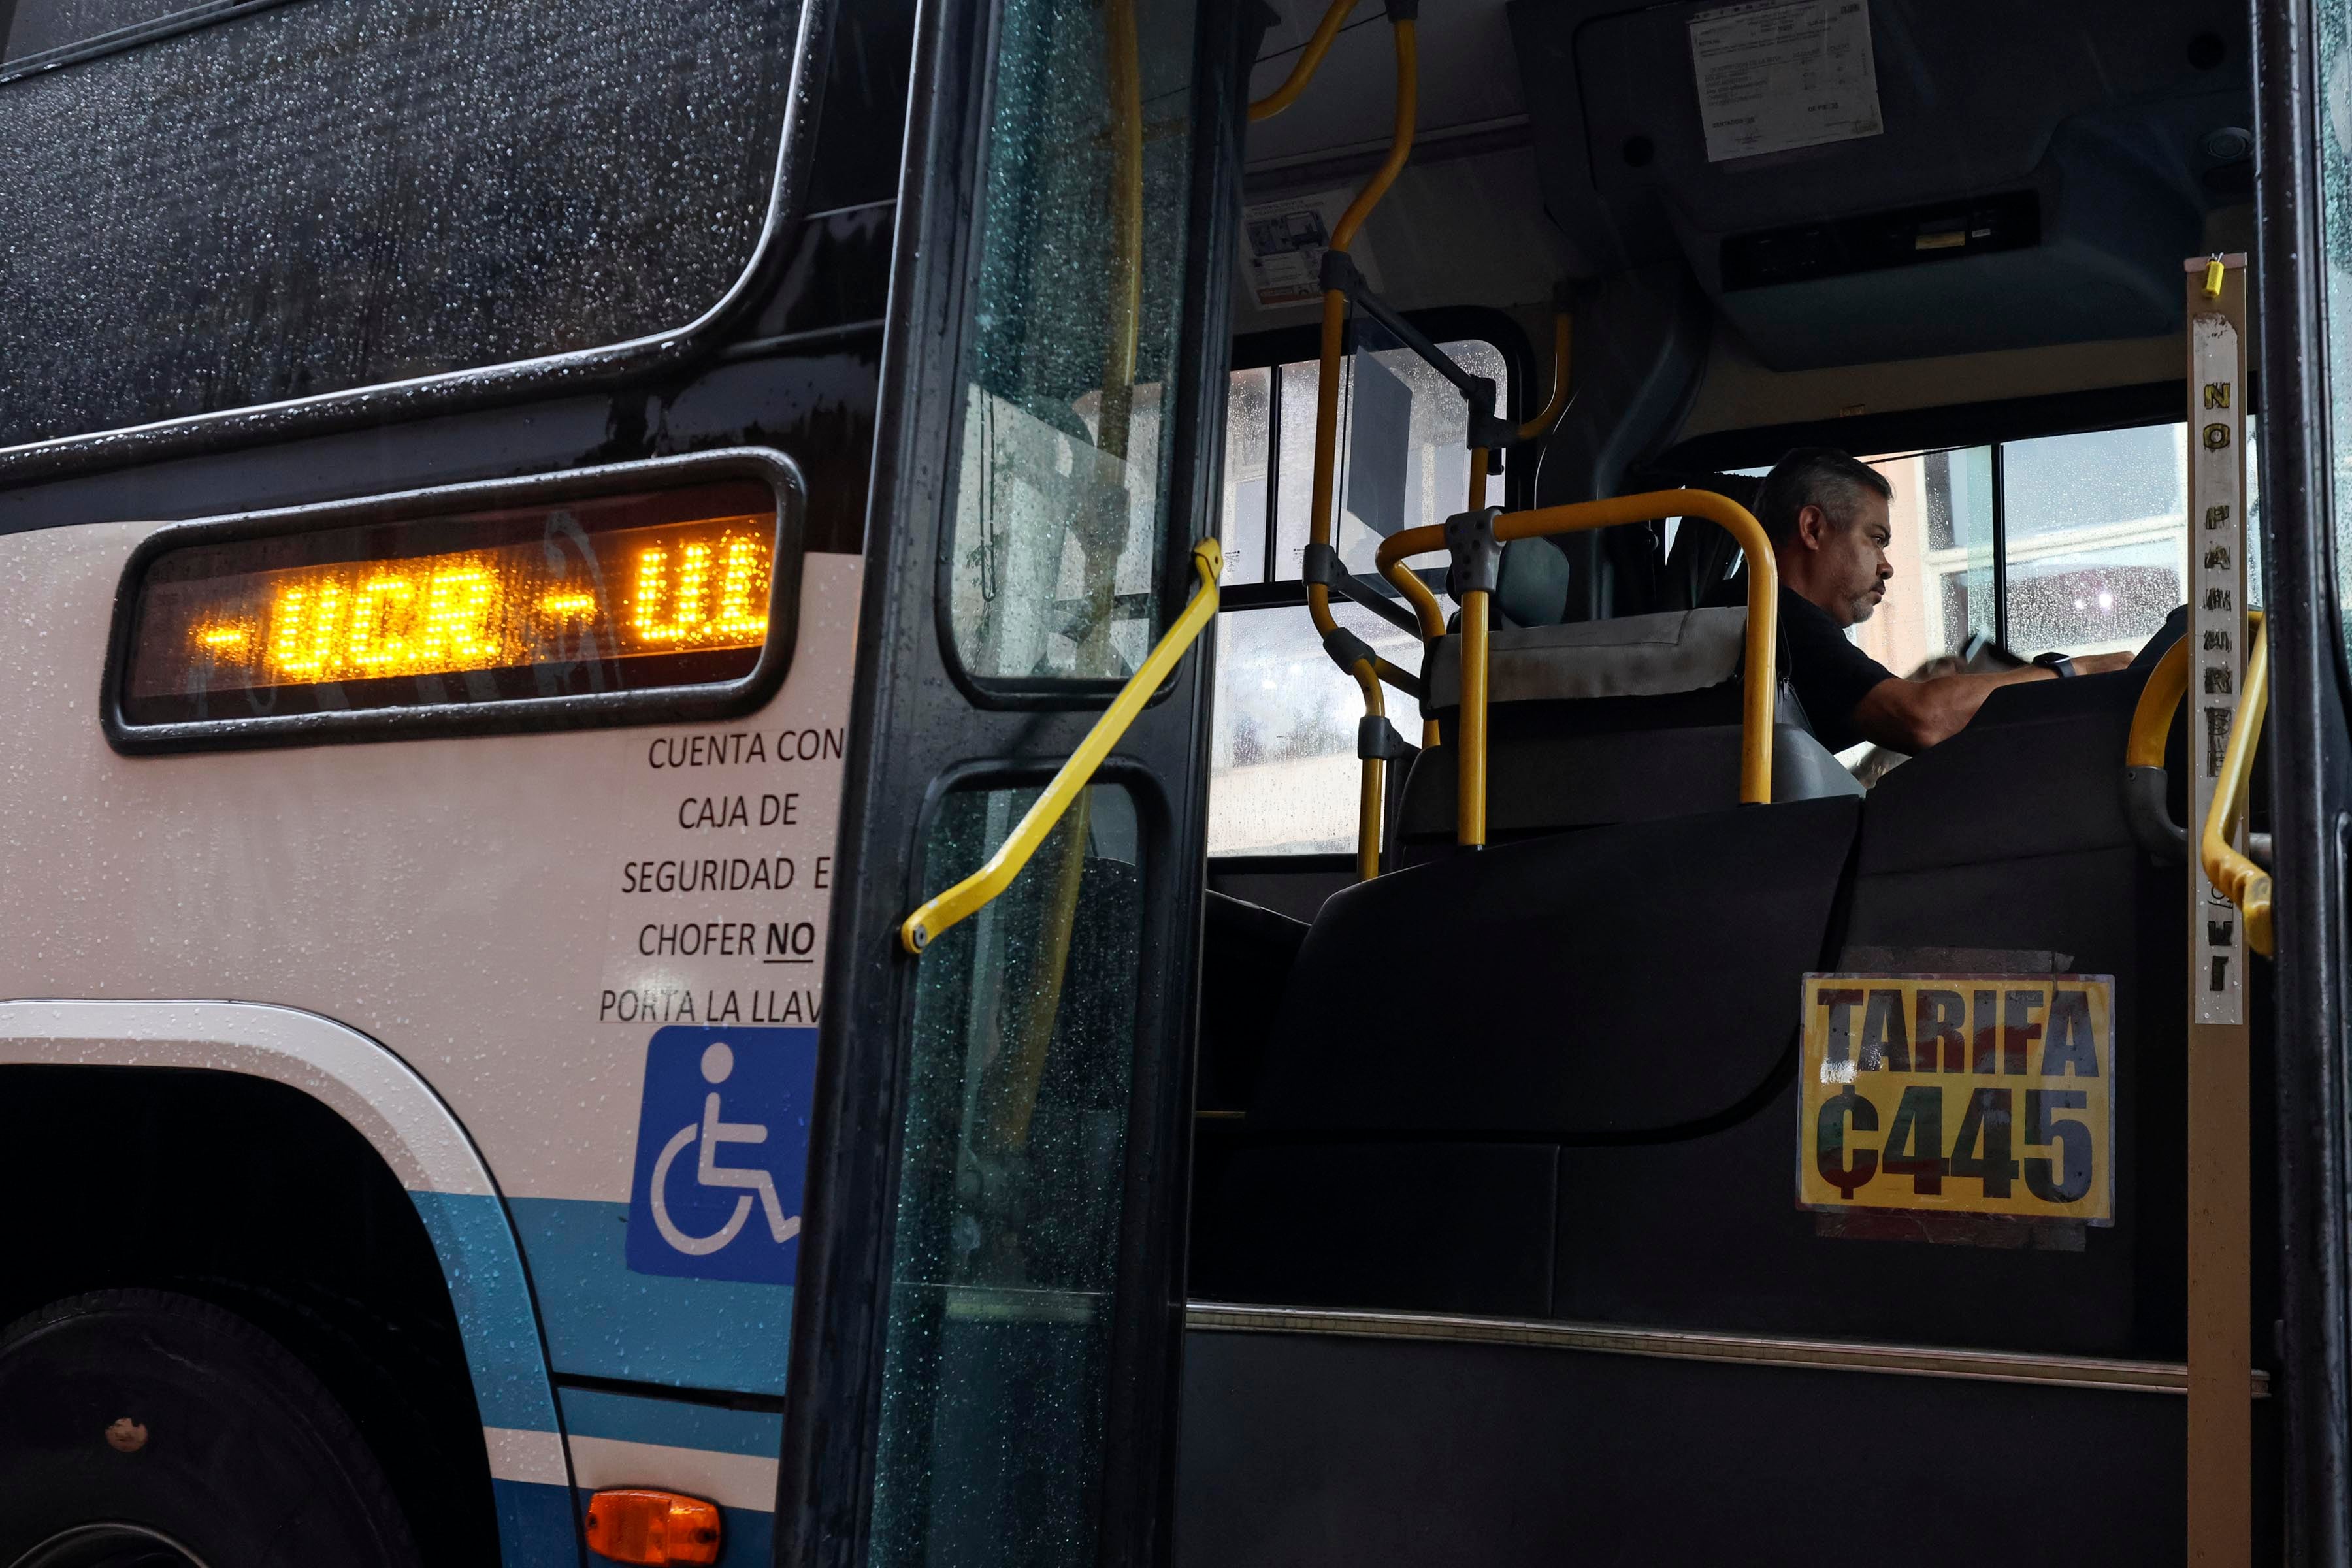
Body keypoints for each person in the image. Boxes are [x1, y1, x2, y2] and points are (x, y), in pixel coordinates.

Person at [1724, 448, 2132, 753]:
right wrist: (2075, 670)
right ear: (1813, 529)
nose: (1887, 568)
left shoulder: (1749, 614)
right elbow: (1923, 720)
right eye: (1876, 540)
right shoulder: (1777, 618)